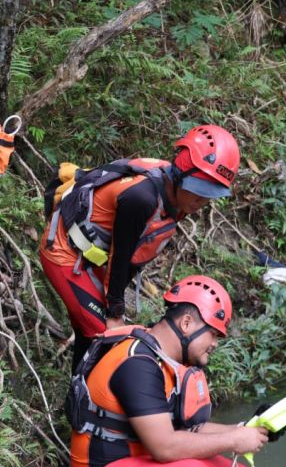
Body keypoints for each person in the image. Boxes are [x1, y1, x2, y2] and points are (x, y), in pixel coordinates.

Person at [41, 125, 240, 373]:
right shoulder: (142, 197)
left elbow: (133, 254)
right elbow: (121, 255)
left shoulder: (179, 199)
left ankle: (77, 394)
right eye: (199, 192)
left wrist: (112, 307)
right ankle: (86, 402)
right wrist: (115, 313)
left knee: (92, 331)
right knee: (104, 336)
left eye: (209, 195)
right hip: (65, 253)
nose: (202, 202)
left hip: (94, 260)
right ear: (180, 173)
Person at [68, 275, 269, 467]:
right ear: (186, 323)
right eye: (214, 334)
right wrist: (233, 440)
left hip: (140, 459)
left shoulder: (164, 360)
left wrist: (246, 429)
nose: (215, 344)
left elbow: (186, 429)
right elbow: (165, 447)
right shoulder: (137, 364)